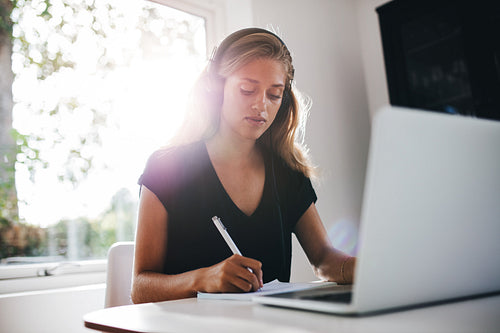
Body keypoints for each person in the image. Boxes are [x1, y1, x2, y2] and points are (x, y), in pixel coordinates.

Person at [131, 27, 356, 304]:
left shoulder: (287, 172)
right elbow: (140, 288)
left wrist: (358, 268)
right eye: (247, 90)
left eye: (274, 95)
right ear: (217, 88)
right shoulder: (166, 167)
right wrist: (204, 279)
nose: (261, 106)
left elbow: (323, 258)